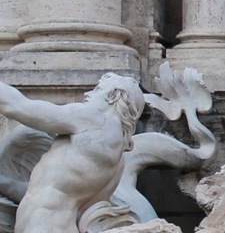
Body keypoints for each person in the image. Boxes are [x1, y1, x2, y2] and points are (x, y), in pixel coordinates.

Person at [0, 72, 145, 233]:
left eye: (97, 89)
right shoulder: (118, 162)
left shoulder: (93, 119)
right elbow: (47, 192)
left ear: (113, 96)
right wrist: (5, 183)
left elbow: (16, 106)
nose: (87, 94)